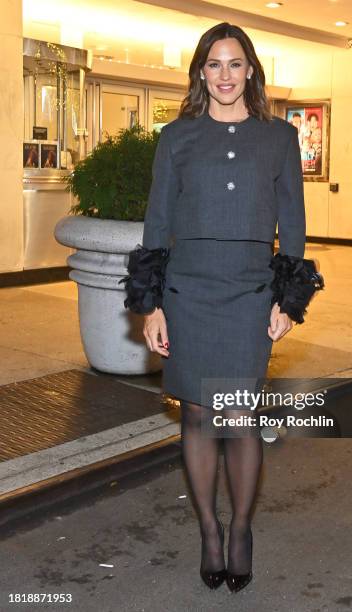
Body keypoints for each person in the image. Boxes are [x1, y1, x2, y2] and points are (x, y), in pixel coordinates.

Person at [120, 22, 323, 593]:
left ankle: (241, 529)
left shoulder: (279, 137)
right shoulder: (177, 138)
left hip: (250, 293)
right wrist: (151, 305)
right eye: (214, 64)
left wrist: (289, 299)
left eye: (236, 64)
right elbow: (157, 223)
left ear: (251, 70)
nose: (226, 75)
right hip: (189, 292)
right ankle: (209, 530)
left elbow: (295, 227)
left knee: (238, 416)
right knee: (198, 416)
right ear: (200, 72)